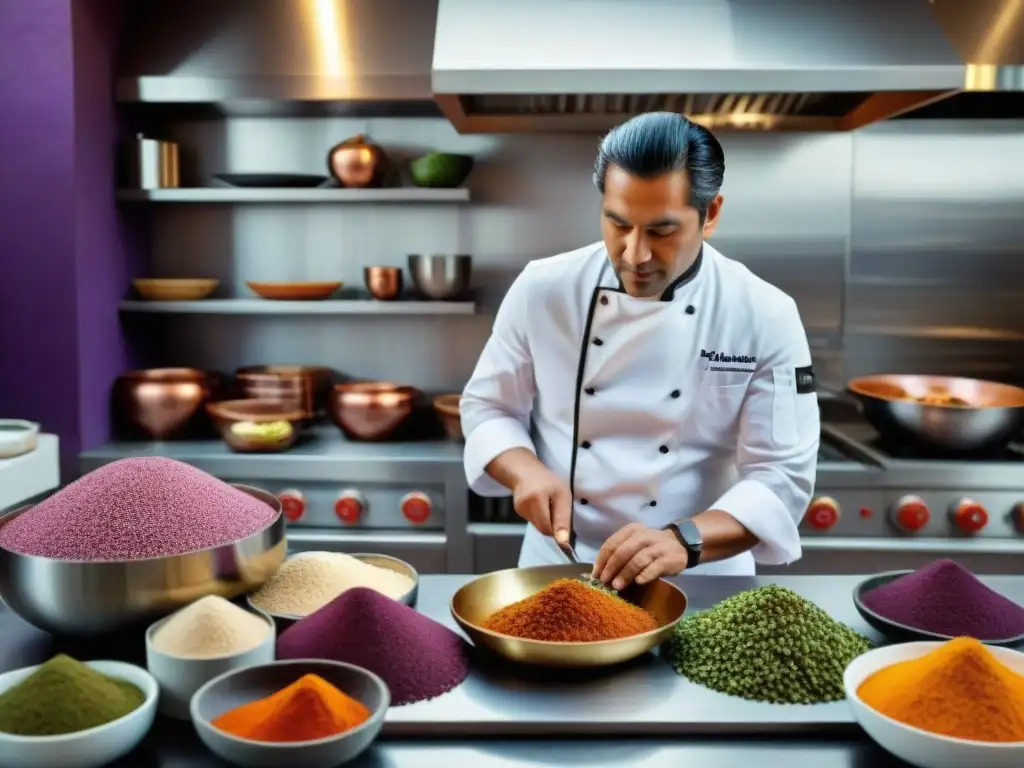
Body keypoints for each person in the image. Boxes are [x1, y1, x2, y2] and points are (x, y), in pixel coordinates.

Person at [460, 112, 820, 588]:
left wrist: (683, 540)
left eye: (661, 231)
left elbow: (781, 477)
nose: (635, 254)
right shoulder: (544, 289)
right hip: (559, 568)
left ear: (710, 214)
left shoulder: (763, 312)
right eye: (618, 223)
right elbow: (488, 406)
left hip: (702, 577)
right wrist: (525, 472)